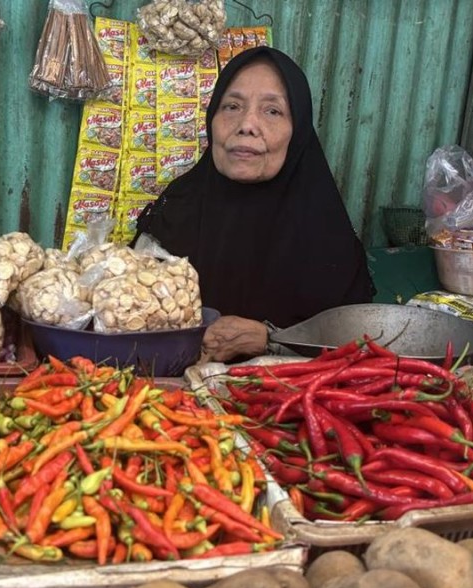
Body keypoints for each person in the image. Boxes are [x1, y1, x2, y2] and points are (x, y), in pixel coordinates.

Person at [133, 46, 374, 362]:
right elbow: (128, 314)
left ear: (297, 130)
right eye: (231, 106)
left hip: (294, 402)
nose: (247, 124)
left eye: (272, 111)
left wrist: (272, 339)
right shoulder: (176, 211)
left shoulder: (324, 231)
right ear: (212, 120)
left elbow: (360, 347)